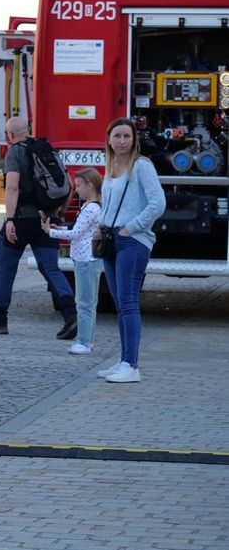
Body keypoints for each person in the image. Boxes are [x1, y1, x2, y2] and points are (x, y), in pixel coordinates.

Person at [0, 116, 77, 338]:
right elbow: (68, 185)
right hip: (47, 220)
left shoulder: (15, 152)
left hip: (22, 220)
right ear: (29, 130)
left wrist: (9, 220)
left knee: (6, 267)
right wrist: (59, 214)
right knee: (51, 268)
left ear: (9, 136)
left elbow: (12, 188)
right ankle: (71, 315)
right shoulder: (47, 149)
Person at [95, 117, 166, 384]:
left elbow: (157, 203)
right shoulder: (111, 166)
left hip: (132, 241)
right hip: (112, 239)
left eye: (127, 136)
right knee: (119, 304)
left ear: (134, 139)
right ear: (109, 139)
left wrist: (131, 227)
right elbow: (110, 204)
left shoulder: (141, 166)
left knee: (128, 303)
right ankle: (124, 360)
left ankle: (132, 366)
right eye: (117, 136)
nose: (122, 141)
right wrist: (101, 225)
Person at [43, 168, 104, 355]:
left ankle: (84, 342)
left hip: (85, 259)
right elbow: (80, 230)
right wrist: (59, 227)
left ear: (90, 185)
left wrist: (50, 232)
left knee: (84, 302)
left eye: (79, 185)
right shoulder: (93, 206)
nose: (76, 190)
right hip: (87, 258)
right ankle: (86, 340)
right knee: (88, 302)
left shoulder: (90, 208)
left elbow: (76, 234)